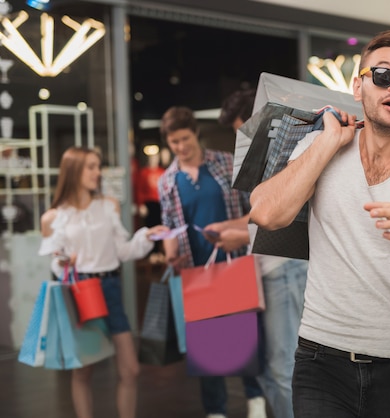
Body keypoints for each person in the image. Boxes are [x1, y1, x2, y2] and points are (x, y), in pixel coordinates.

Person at [249, 29, 390, 417]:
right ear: (358, 85)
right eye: (383, 75)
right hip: (319, 357)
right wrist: (328, 143)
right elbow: (266, 213)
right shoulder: (320, 148)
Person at [38, 146, 169, 418]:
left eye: (98, 166)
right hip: (80, 290)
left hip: (110, 287)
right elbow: (54, 260)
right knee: (83, 369)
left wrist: (147, 236)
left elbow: (123, 251)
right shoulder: (53, 217)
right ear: (74, 170)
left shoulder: (107, 206)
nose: (98, 172)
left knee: (130, 369)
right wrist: (62, 261)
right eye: (91, 167)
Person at [157, 106, 266, 418]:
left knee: (244, 336)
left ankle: (255, 402)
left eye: (185, 139)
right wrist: (169, 250)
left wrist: (233, 230)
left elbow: (252, 209)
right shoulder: (167, 181)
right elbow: (169, 225)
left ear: (195, 133)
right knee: (207, 346)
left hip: (232, 261)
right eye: (174, 142)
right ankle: (215, 410)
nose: (181, 146)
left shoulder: (225, 163)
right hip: (195, 269)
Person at [218, 88, 308, 418]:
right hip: (265, 273)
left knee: (281, 367)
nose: (243, 140)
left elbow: (280, 217)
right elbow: (262, 210)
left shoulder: (290, 153)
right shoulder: (270, 156)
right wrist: (231, 226)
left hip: (283, 270)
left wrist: (236, 233)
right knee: (268, 367)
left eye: (245, 130)